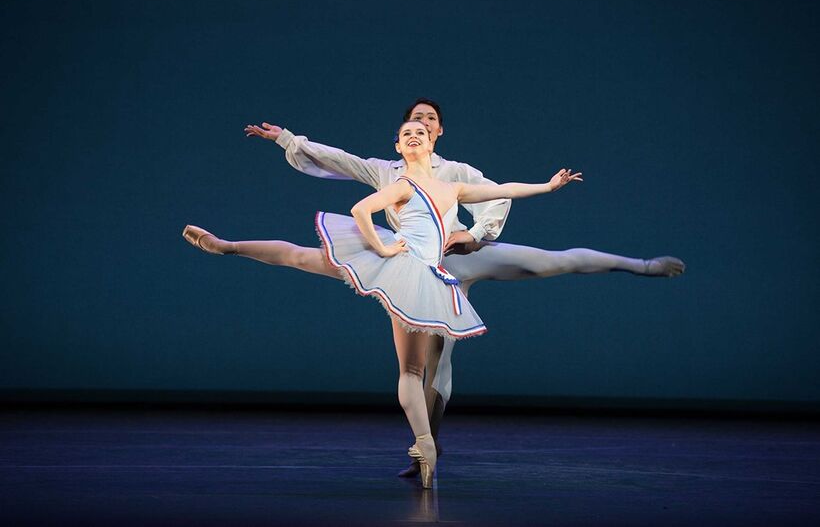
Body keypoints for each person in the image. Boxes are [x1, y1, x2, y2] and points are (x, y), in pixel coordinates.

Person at [241, 98, 685, 478]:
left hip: (463, 255)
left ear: (438, 131)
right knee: (433, 366)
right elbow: (338, 159)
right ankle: (426, 449)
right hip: (419, 270)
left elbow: (498, 194)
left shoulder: (455, 172)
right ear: (401, 136)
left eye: (429, 119)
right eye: (415, 119)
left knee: (550, 261)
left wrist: (476, 235)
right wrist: (288, 139)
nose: (422, 125)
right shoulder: (387, 171)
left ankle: (641, 265)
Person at [183, 120, 583, 488]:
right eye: (406, 133)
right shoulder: (402, 182)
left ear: (432, 144)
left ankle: (425, 444)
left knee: (413, 370)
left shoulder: (452, 188)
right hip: (398, 264)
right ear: (397, 146)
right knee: (302, 256)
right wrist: (382, 246)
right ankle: (227, 245)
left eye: (420, 133)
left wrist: (547, 187)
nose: (413, 136)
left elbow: (504, 189)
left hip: (422, 276)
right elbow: (360, 209)